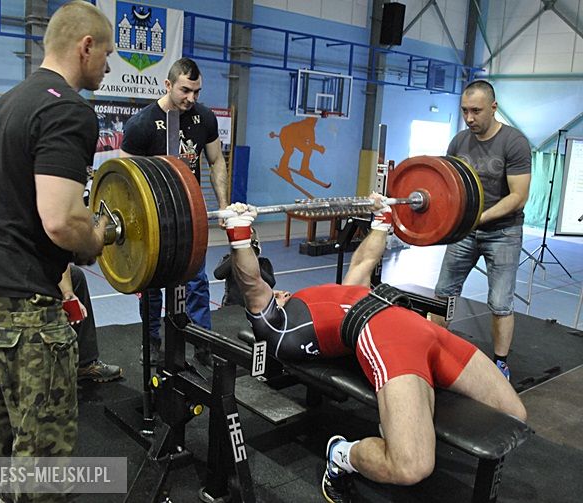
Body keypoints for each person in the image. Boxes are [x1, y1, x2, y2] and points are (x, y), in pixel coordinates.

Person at [221, 200, 527, 503]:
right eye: (274, 293)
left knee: (513, 414)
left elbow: (363, 264)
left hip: (424, 330)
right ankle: (341, 455)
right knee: (411, 466)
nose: (280, 291)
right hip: (384, 337)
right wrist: (239, 234)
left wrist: (382, 220)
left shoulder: (324, 293)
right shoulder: (279, 325)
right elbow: (251, 282)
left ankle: (397, 424)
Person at [0, 1, 114, 496]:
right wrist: (97, 239)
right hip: (16, 294)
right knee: (45, 454)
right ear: (85, 47)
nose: (107, 65)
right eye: (106, 54)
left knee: (16, 429)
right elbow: (62, 221)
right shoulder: (67, 108)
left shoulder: (14, 98)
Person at [0, 209, 121, 458]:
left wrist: (68, 296)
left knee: (76, 279)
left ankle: (84, 363)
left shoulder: (43, 205)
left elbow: (55, 259)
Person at [120, 57, 228, 365]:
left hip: (190, 215)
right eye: (185, 90)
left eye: (197, 91)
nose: (191, 98)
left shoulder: (204, 118)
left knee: (196, 281)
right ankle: (152, 341)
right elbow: (126, 179)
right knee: (153, 286)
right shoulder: (141, 125)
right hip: (153, 221)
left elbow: (216, 160)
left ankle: (203, 342)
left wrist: (221, 205)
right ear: (167, 85)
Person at [431, 80, 532, 380]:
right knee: (443, 294)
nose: (470, 118)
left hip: (503, 232)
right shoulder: (459, 142)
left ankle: (500, 362)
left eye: (476, 111)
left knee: (501, 302)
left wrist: (479, 218)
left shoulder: (514, 142)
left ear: (493, 107)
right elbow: (447, 187)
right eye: (464, 111)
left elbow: (518, 196)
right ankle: (431, 347)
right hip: (465, 233)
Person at [213, 228, 276, 307]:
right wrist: (237, 253)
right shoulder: (228, 259)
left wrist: (252, 258)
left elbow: (271, 282)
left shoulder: (263, 262)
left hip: (256, 305)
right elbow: (218, 274)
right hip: (232, 305)